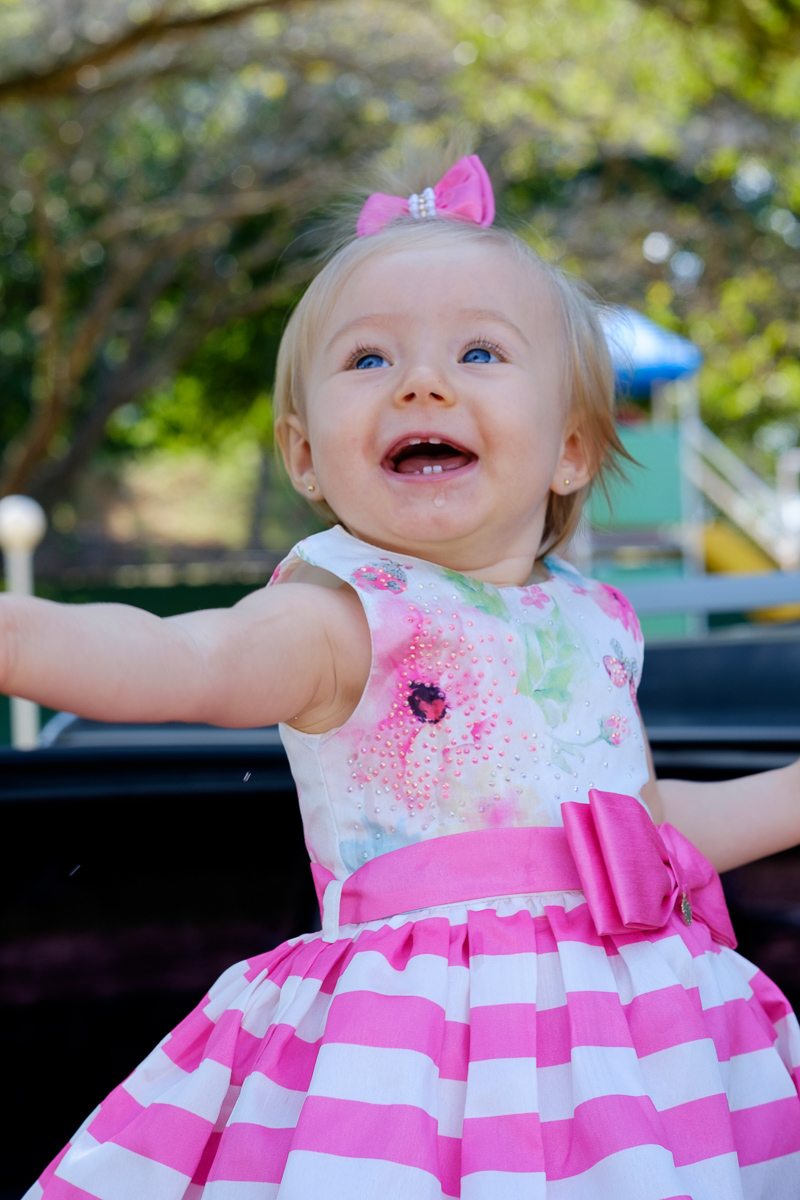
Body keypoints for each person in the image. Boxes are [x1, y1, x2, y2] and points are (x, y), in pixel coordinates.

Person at [14, 152, 800, 1200]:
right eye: (368, 359)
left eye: (478, 351)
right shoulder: (339, 614)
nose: (421, 382)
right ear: (304, 456)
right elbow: (180, 659)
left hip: (638, 1058)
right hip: (417, 1070)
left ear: (569, 446)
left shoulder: (592, 621)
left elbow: (637, 841)